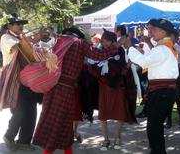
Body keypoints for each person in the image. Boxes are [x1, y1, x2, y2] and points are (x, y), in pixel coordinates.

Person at [32, 26, 119, 154]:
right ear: (80, 36)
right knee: (61, 122)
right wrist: (115, 46)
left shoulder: (57, 40)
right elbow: (100, 55)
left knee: (54, 120)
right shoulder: (80, 43)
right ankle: (48, 151)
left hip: (51, 86)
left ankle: (66, 150)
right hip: (66, 89)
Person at [125, 19, 179, 154]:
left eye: (152, 29)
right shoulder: (164, 47)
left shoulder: (162, 49)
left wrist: (129, 47)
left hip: (162, 92)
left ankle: (157, 151)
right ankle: (157, 151)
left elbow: (144, 62)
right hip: (162, 91)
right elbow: (149, 60)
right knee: (155, 126)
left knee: (154, 127)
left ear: (163, 31)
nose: (150, 32)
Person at [1, 13, 42, 151]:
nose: (21, 26)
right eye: (17, 23)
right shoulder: (6, 37)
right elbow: (16, 49)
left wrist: (33, 42)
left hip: (29, 79)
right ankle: (9, 136)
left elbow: (32, 55)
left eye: (22, 24)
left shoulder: (22, 38)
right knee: (19, 111)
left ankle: (24, 142)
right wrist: (32, 41)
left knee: (31, 111)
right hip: (15, 80)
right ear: (9, 26)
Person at [97, 29, 137, 151]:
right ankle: (105, 139)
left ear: (113, 41)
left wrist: (126, 67)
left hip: (117, 86)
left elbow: (121, 68)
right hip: (104, 86)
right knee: (103, 113)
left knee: (119, 112)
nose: (105, 43)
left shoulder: (119, 50)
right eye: (103, 40)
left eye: (107, 40)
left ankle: (118, 138)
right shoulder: (100, 51)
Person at [165, 29, 180, 130]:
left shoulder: (178, 48)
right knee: (168, 99)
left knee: (178, 99)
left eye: (172, 36)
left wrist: (179, 66)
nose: (170, 38)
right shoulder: (164, 47)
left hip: (177, 74)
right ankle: (168, 121)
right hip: (167, 75)